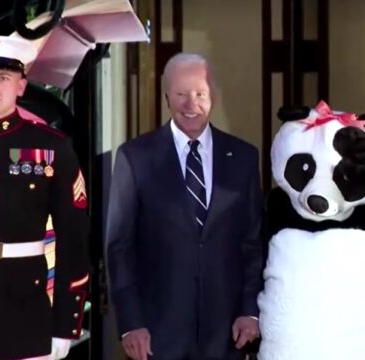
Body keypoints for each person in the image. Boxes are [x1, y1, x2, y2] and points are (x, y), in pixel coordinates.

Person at [105, 53, 264, 360]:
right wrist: (130, 324)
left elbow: (252, 244)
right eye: (181, 95)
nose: (191, 105)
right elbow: (119, 248)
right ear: (166, 97)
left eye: (200, 94)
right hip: (155, 335)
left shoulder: (243, 157)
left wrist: (250, 312)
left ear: (213, 96)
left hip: (227, 334)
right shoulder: (135, 158)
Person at [0, 35, 90, 360]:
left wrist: (65, 323)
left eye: (4, 78)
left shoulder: (52, 146)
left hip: (26, 308)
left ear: (21, 86)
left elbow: (73, 238)